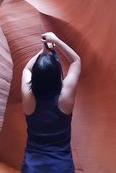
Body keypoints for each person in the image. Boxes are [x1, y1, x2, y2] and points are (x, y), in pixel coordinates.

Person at [21, 32, 81, 173]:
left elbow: (27, 69)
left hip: (32, 167)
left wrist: (43, 50)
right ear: (57, 75)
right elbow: (76, 61)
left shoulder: (28, 97)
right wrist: (56, 41)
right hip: (61, 166)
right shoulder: (65, 96)